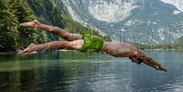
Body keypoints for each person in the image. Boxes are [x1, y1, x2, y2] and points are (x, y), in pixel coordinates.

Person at [17, 20, 168, 72]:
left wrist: (154, 65)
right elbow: (147, 58)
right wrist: (157, 66)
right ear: (136, 59)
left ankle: (38, 25)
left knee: (66, 35)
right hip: (95, 44)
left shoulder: (130, 47)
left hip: (96, 40)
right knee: (63, 44)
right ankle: (34, 47)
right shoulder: (135, 52)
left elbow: (144, 57)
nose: (133, 62)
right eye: (136, 62)